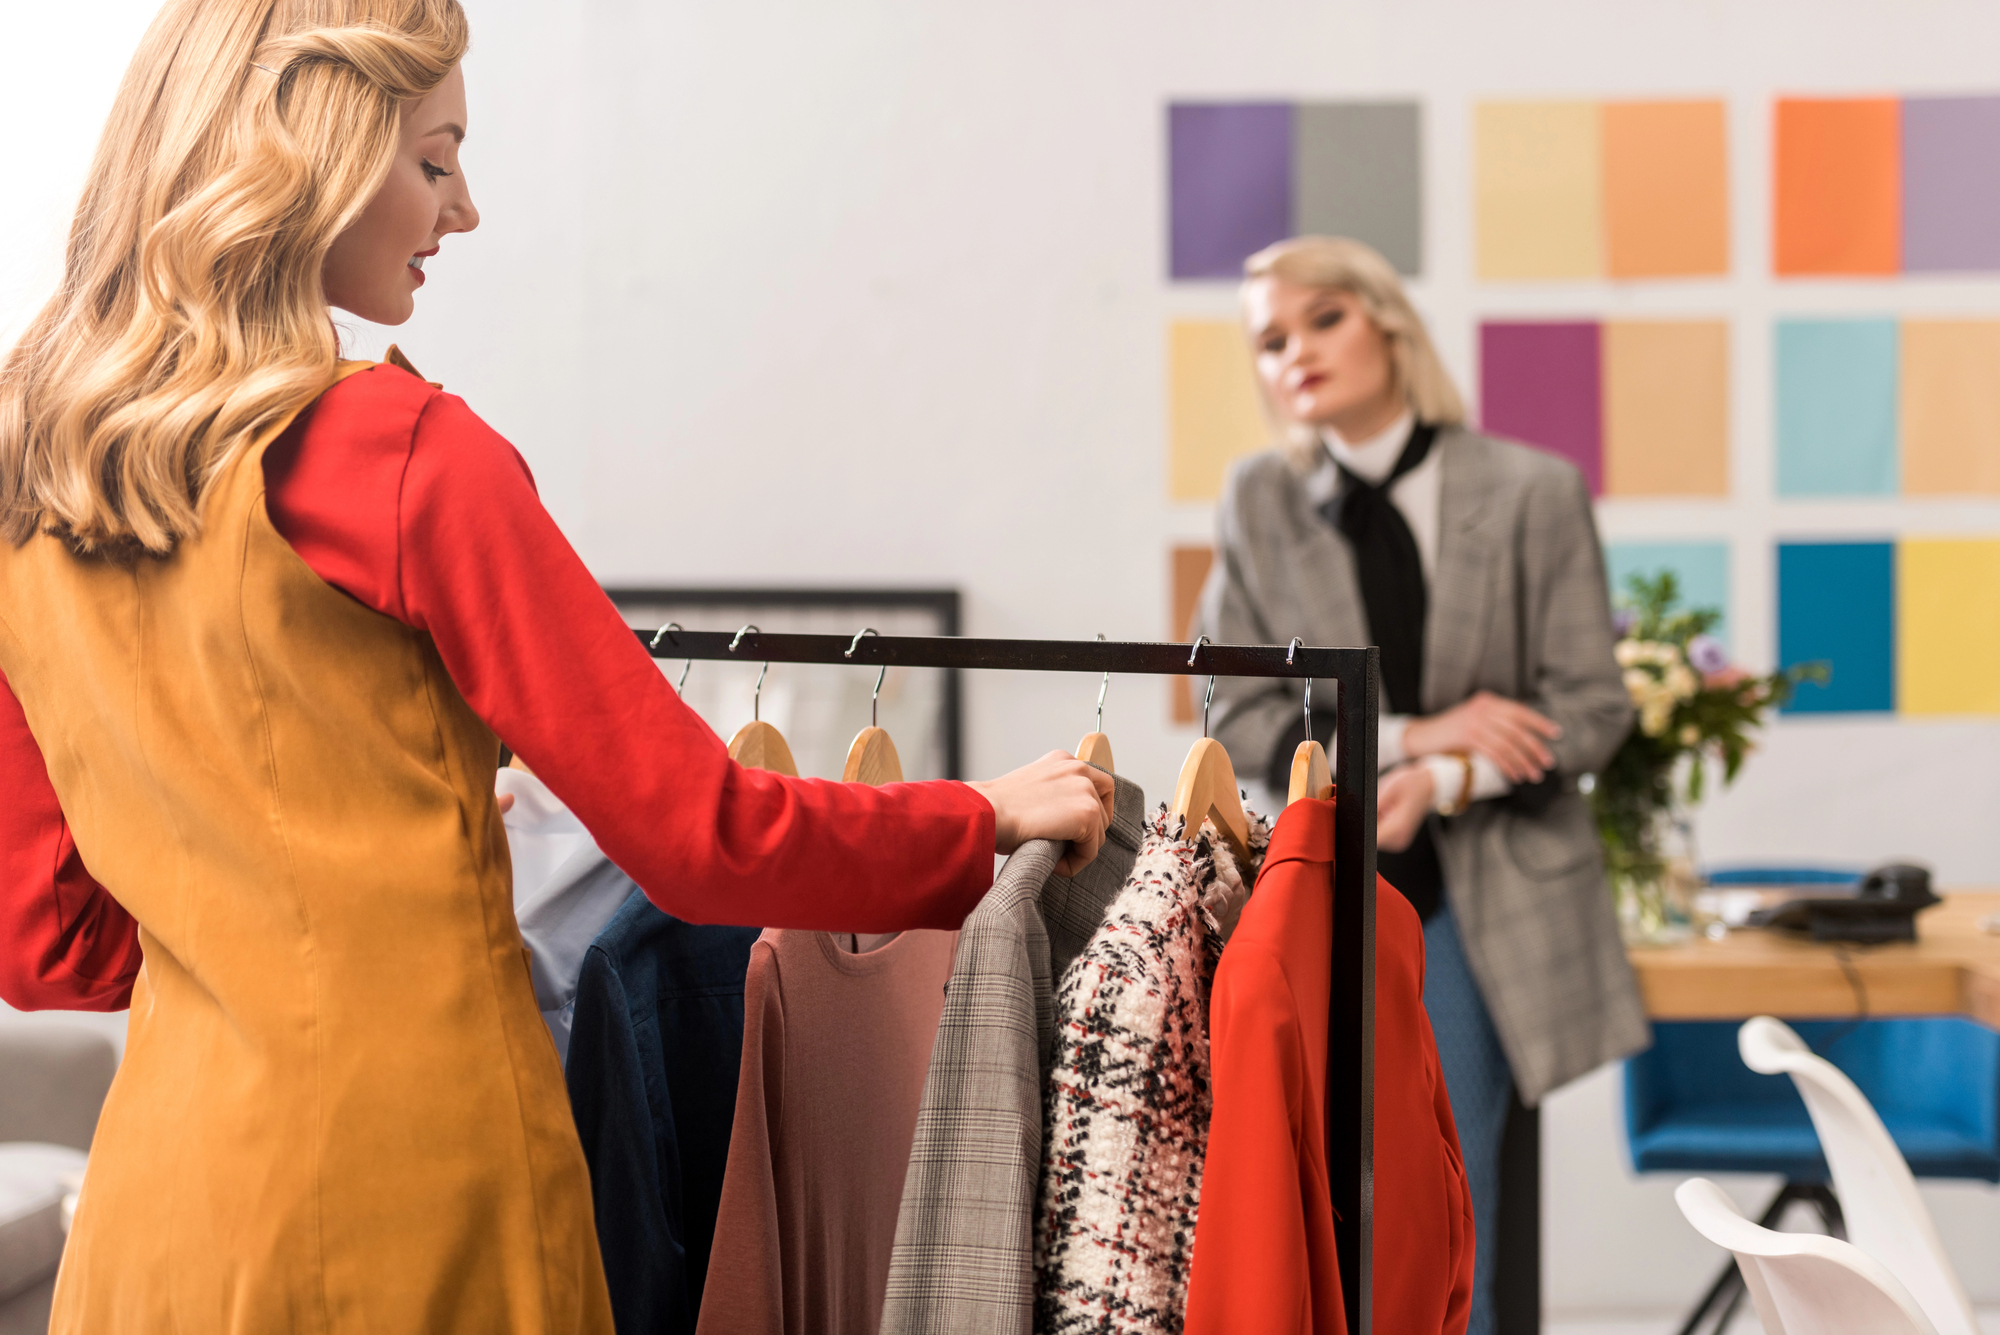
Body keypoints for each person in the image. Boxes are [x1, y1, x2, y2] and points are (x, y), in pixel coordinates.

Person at [0, 3, 1111, 1331]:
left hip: (157, 1212)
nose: (462, 208)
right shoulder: (404, 451)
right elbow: (705, 837)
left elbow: (52, 947)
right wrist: (980, 815)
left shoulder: (31, 476)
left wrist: (318, 856)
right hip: (412, 1195)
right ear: (308, 157)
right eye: (434, 157)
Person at [1196, 236, 1648, 1335]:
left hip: (1479, 904)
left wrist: (1447, 773)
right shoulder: (1257, 500)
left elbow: (1592, 707)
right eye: (1269, 339)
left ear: (1387, 324)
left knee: (1449, 1211)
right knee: (1304, 1206)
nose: (1294, 351)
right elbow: (1237, 713)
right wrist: (1409, 736)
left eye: (1321, 320)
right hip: (1315, 895)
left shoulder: (1531, 490)